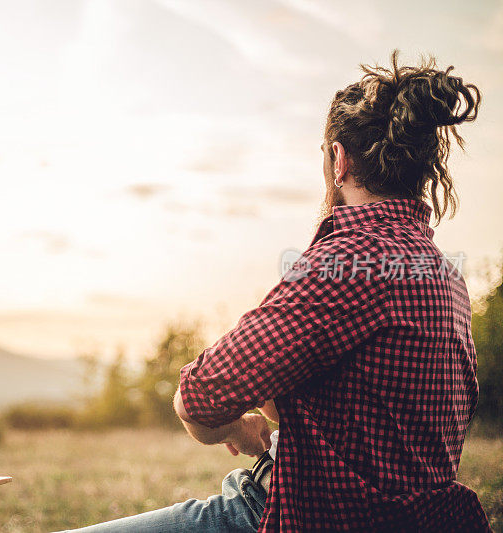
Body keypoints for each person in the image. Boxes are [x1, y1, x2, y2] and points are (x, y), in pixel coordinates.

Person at [62, 51, 490, 532]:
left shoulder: (349, 261)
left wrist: (237, 428)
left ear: (337, 159)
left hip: (303, 516)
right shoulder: (443, 274)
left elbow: (196, 397)